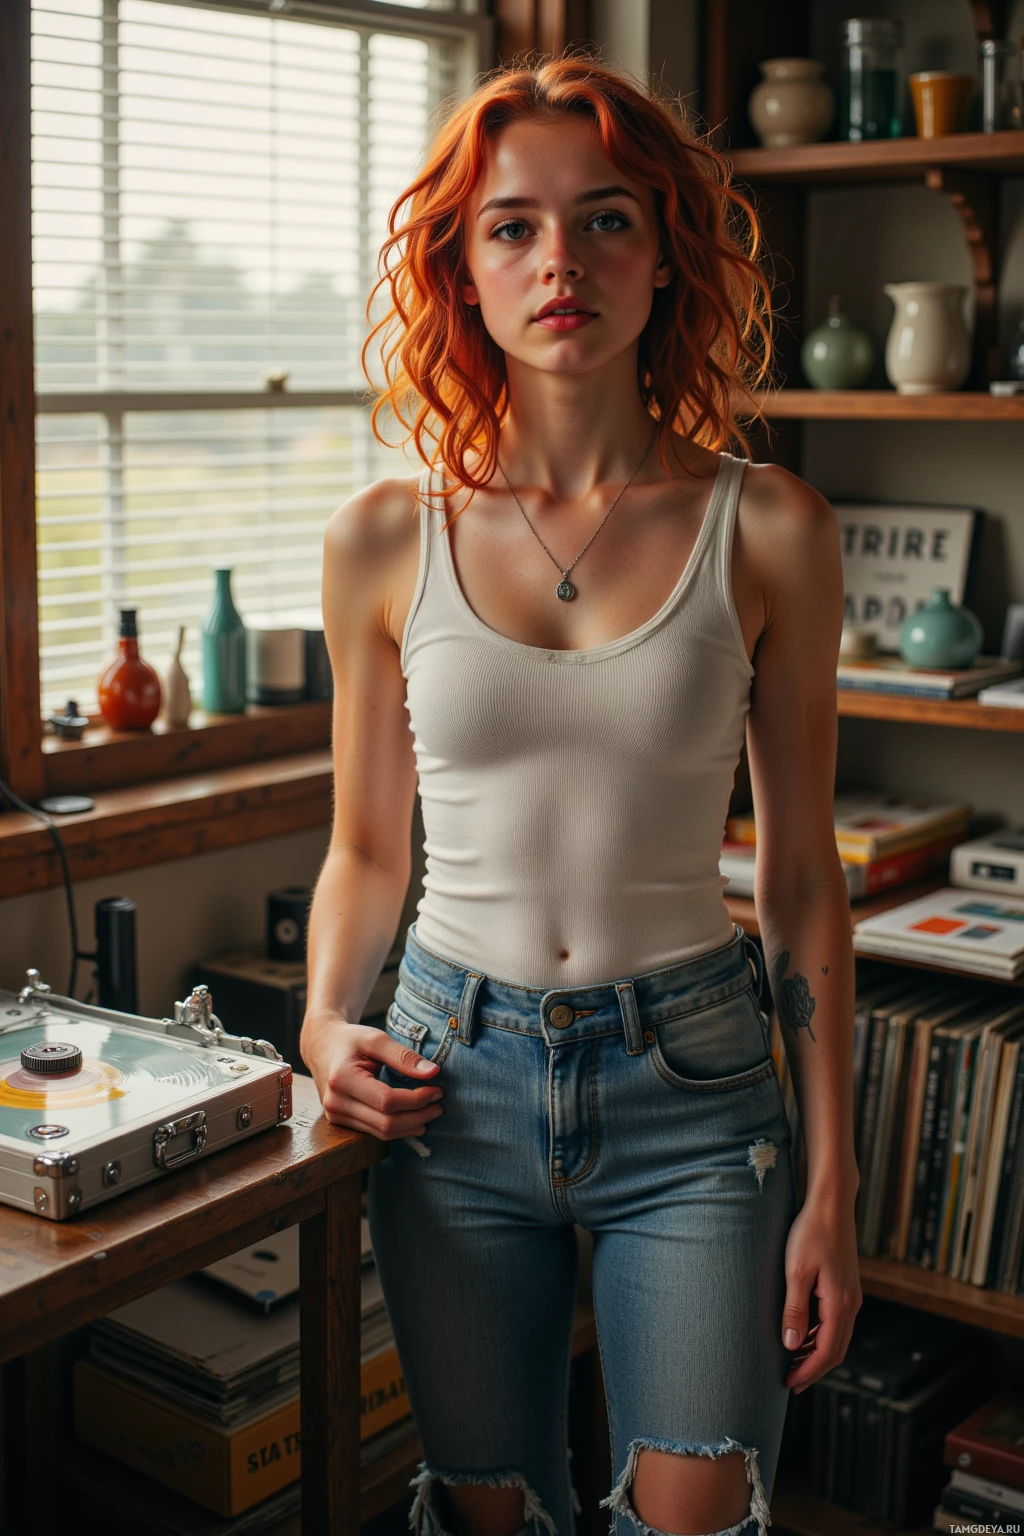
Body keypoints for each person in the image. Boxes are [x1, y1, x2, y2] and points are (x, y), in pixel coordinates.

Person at [301, 55, 862, 1536]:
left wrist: (833, 1186)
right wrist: (318, 1027)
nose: (562, 262)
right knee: (491, 1510)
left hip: (695, 1089)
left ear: (666, 249)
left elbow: (804, 879)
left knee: (697, 1516)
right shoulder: (379, 538)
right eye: (512, 228)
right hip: (446, 1086)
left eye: (606, 219)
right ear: (460, 270)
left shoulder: (773, 528)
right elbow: (367, 850)